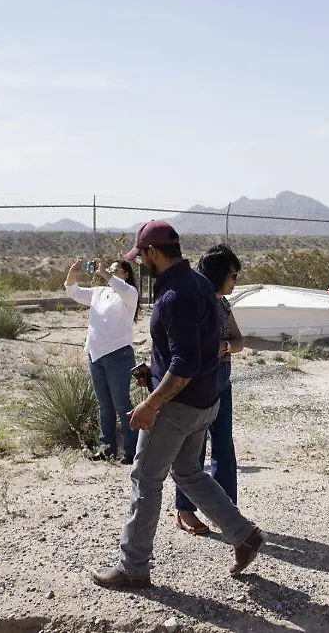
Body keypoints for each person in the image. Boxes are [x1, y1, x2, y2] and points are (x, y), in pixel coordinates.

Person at [89, 221, 263, 589]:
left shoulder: (175, 296)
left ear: (152, 253)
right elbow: (199, 347)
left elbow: (183, 364)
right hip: (205, 400)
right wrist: (152, 370)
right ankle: (244, 535)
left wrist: (151, 403)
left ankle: (133, 567)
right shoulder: (198, 283)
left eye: (142, 257)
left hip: (178, 405)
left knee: (145, 479)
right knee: (188, 472)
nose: (141, 265)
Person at [175, 244, 245, 535]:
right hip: (199, 384)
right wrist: (217, 349)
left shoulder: (222, 304)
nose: (235, 280)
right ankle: (185, 510)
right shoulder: (195, 303)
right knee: (194, 450)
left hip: (222, 382)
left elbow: (239, 340)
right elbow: (190, 348)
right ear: (218, 275)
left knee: (224, 448)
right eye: (233, 274)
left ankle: (225, 510)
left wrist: (225, 347)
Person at [65, 257, 141, 464]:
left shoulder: (129, 294)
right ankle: (107, 449)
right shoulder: (99, 292)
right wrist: (73, 273)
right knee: (104, 406)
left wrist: (105, 274)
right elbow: (73, 292)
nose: (110, 272)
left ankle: (132, 451)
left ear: (126, 274)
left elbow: (121, 288)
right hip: (95, 355)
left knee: (122, 404)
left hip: (118, 355)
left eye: (116, 270)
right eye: (110, 269)